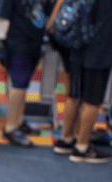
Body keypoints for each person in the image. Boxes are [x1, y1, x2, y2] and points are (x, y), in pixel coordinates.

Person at [51, 0, 112, 163]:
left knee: (74, 95)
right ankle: (82, 148)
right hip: (99, 51)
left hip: (77, 47)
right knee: (92, 100)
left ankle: (65, 140)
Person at [0, 0, 52, 146]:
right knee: (19, 83)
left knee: (24, 83)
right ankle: (10, 127)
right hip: (17, 41)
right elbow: (3, 17)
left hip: (34, 42)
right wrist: (2, 43)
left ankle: (18, 121)